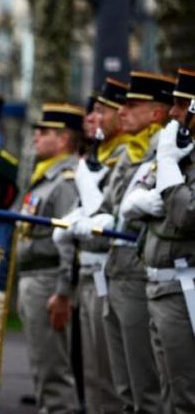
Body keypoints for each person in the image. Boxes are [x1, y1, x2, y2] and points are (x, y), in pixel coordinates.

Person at [73, 71, 174, 413]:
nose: (123, 111)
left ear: (156, 114)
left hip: (136, 273)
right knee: (122, 384)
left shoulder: (162, 152)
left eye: (132, 105)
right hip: (114, 272)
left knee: (146, 386)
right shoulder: (131, 155)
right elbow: (107, 209)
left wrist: (110, 218)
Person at [52, 78, 129, 413]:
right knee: (94, 376)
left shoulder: (126, 155)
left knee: (116, 379)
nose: (93, 118)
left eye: (102, 111)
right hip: (91, 271)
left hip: (115, 272)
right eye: (93, 111)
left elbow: (113, 213)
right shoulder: (100, 155)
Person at [15, 103, 84, 414]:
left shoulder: (65, 180)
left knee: (54, 372)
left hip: (48, 280)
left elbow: (68, 241)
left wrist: (63, 291)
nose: (36, 138)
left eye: (44, 133)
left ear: (64, 140)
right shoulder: (45, 176)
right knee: (42, 369)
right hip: (33, 278)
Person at [140, 68, 195, 412]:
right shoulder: (182, 152)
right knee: (169, 395)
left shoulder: (175, 156)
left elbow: (187, 215)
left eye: (180, 104)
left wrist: (167, 166)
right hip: (162, 286)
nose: (172, 113)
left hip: (186, 287)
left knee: (185, 396)